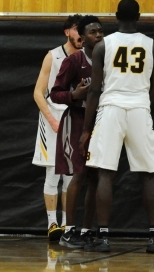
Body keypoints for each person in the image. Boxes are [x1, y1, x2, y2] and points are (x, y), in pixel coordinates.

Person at [79, 0, 154, 253]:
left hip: (110, 108)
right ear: (139, 16)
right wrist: (140, 102)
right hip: (139, 108)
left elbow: (95, 90)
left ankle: (103, 237)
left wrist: (87, 129)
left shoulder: (103, 45)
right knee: (149, 173)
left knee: (105, 173)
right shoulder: (152, 45)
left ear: (115, 16)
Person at [50, 15, 103, 249]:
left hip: (101, 122)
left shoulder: (108, 61)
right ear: (82, 37)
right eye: (93, 32)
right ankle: (69, 230)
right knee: (79, 175)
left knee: (96, 178)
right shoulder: (74, 61)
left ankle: (86, 230)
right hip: (77, 121)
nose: (98, 35)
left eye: (101, 31)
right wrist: (74, 96)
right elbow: (54, 93)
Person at [33, 15, 82, 241]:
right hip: (53, 117)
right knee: (52, 173)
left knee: (71, 175)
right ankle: (53, 224)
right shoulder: (53, 56)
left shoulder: (88, 57)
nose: (80, 32)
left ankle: (68, 225)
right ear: (66, 32)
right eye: (75, 29)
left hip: (76, 118)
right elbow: (37, 93)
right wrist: (52, 119)